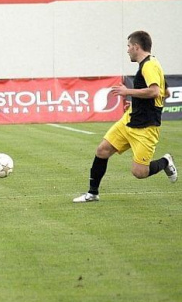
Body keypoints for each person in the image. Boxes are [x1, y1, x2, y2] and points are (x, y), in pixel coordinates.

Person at [74, 30, 177, 203]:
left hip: (145, 127)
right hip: (130, 120)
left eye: (129, 46)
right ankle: (92, 193)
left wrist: (127, 92)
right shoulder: (151, 63)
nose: (127, 50)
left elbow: (155, 91)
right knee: (102, 150)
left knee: (139, 172)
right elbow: (165, 92)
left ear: (136, 47)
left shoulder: (150, 65)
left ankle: (166, 162)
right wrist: (140, 104)